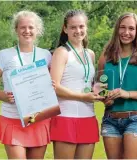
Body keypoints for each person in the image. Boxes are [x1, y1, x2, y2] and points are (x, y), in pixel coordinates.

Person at [0, 10, 54, 159]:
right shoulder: (4, 55)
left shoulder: (46, 55)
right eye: (22, 27)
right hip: (12, 119)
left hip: (38, 119)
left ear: (37, 30)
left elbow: (52, 83)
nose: (27, 31)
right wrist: (4, 96)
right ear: (16, 30)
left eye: (31, 27)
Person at [98, 12, 137, 159]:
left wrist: (127, 93)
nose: (126, 32)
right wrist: (104, 98)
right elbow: (99, 87)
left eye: (131, 28)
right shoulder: (106, 55)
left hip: (136, 118)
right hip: (110, 119)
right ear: (117, 29)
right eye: (122, 28)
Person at [50, 10, 104, 159]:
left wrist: (96, 89)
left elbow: (85, 81)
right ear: (65, 29)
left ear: (86, 27)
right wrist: (83, 97)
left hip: (88, 117)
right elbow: (54, 87)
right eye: (73, 27)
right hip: (66, 117)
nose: (78, 31)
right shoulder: (61, 52)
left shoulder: (90, 54)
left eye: (81, 26)